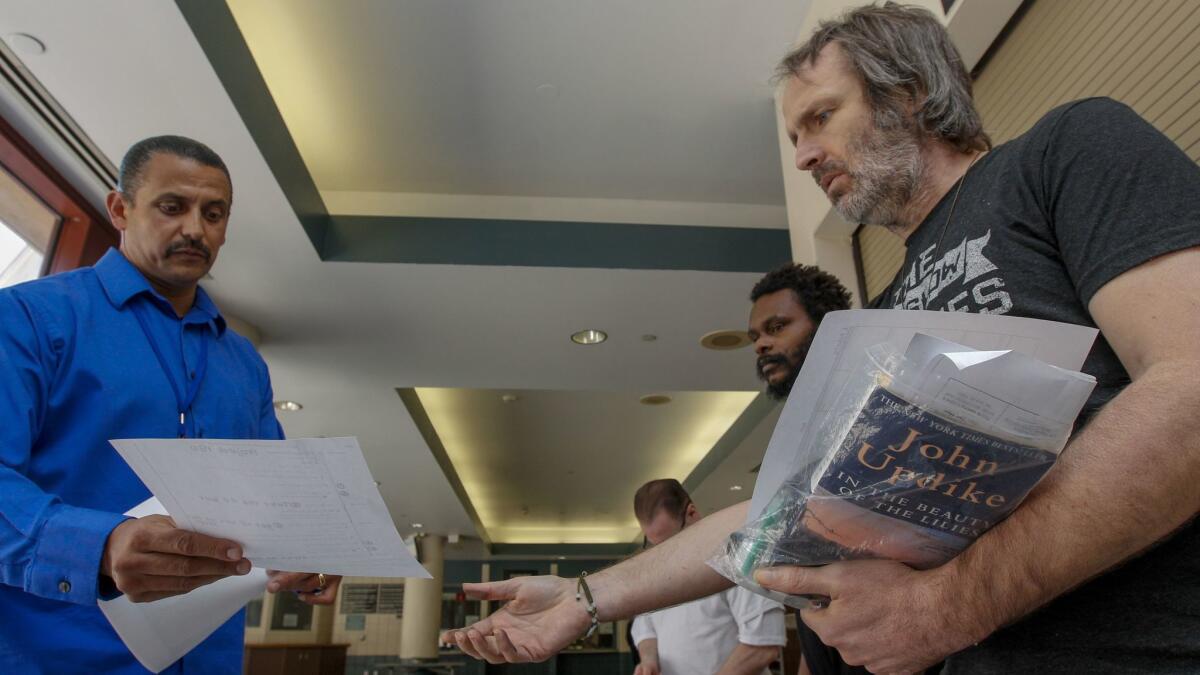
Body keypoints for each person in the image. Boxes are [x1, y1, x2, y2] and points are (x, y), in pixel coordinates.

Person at [442, 4, 1200, 673]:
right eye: (795, 134)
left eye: (820, 118)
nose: (803, 156)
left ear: (909, 95)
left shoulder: (1064, 151)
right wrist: (583, 594)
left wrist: (947, 607)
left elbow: (1191, 383)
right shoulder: (888, 308)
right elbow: (776, 508)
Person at [0, 135, 342, 674]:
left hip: (209, 658)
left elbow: (272, 500)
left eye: (214, 213)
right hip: (54, 653)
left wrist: (310, 552)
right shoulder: (28, 319)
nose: (195, 229)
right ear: (120, 209)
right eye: (172, 206)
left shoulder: (244, 364)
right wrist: (101, 545)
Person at [630, 479, 785, 675]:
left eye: (671, 543)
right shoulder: (654, 575)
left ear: (692, 513)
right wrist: (649, 662)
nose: (664, 555)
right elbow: (646, 628)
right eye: (656, 545)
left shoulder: (734, 557)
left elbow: (763, 646)